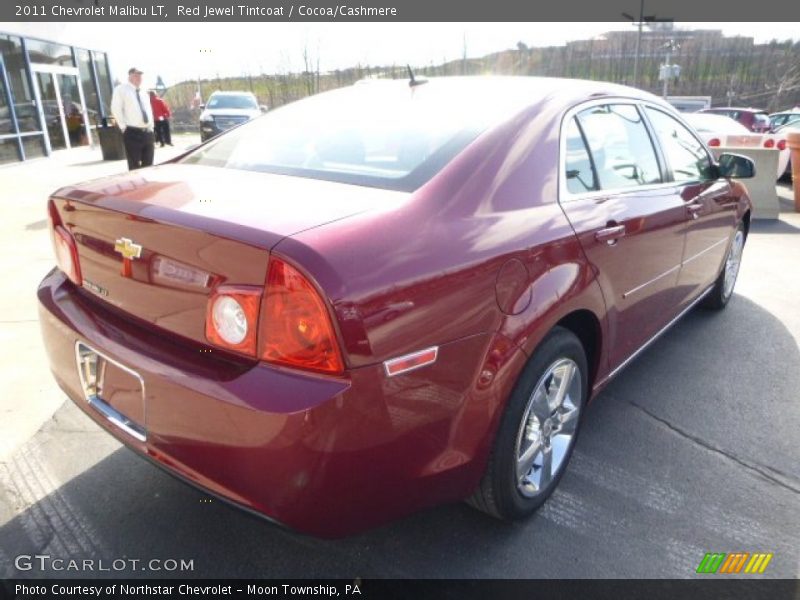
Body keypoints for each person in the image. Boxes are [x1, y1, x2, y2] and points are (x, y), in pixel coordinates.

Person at [111, 67, 155, 170]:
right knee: (134, 166)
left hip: (148, 133)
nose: (139, 77)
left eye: (140, 75)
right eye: (136, 75)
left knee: (149, 164)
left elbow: (148, 110)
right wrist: (123, 127)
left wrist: (152, 127)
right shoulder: (121, 89)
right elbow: (116, 109)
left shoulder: (144, 92)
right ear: (129, 76)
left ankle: (147, 185)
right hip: (132, 132)